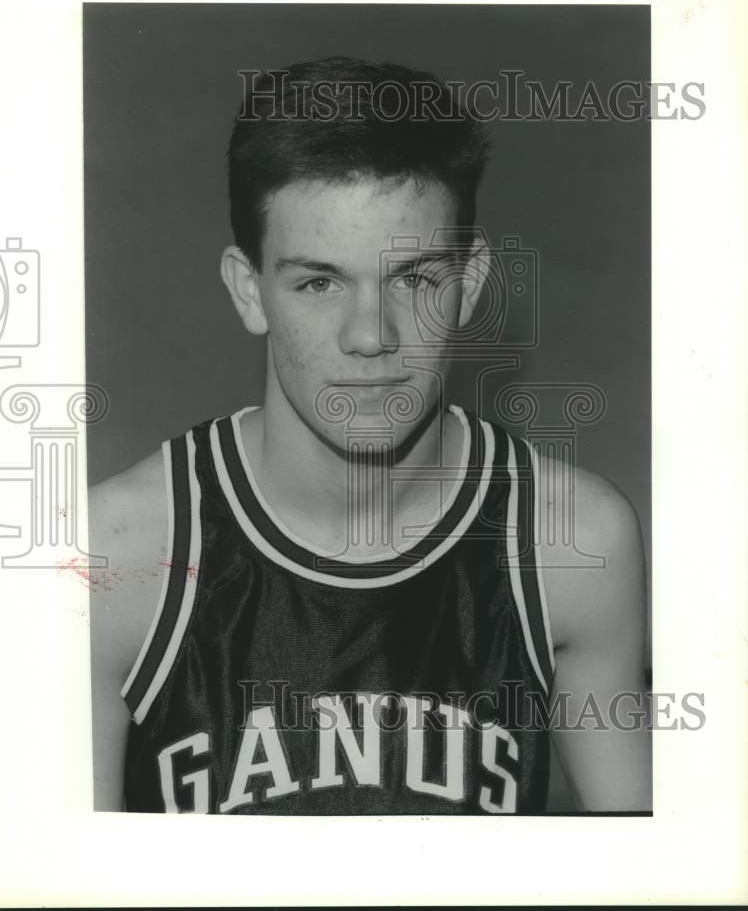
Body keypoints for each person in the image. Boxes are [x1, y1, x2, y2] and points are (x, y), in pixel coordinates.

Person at [89, 57, 651, 814]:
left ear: (471, 283)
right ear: (248, 290)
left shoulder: (571, 543)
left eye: (414, 278)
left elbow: (659, 878)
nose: (370, 335)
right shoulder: (111, 558)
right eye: (319, 282)